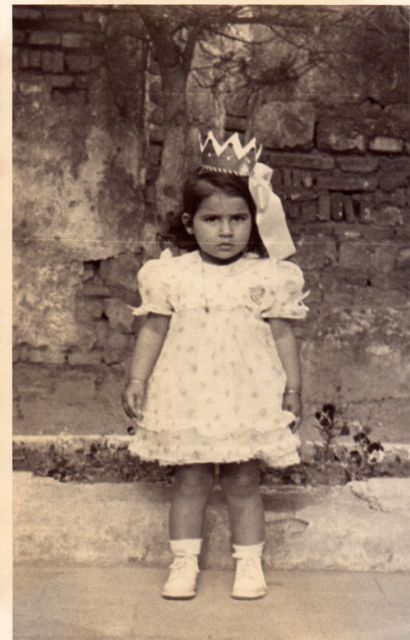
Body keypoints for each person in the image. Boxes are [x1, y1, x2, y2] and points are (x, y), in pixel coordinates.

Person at [122, 131, 308, 601]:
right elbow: (154, 329)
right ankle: (184, 562)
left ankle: (249, 563)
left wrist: (293, 389)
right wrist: (138, 378)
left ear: (253, 221)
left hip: (245, 393)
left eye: (238, 219)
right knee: (191, 478)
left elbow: (283, 336)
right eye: (213, 219)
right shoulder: (172, 274)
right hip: (189, 392)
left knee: (244, 478)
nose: (226, 231)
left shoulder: (266, 276)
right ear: (191, 223)